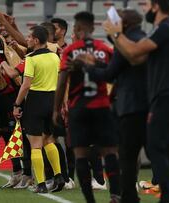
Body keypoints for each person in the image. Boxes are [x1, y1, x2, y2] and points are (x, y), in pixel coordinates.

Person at [103, 0, 169, 202]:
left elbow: (132, 53)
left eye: (147, 4)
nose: (144, 9)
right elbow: (135, 58)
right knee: (168, 150)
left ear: (156, 6)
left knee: (157, 148)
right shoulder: (165, 30)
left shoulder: (164, 28)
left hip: (166, 96)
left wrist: (116, 33)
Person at [53, 11, 121, 203]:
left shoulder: (71, 51)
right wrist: (112, 96)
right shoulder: (105, 49)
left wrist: (56, 109)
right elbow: (116, 75)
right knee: (109, 152)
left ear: (78, 28)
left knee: (81, 153)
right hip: (101, 105)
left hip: (79, 107)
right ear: (93, 27)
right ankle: (115, 195)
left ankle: (90, 199)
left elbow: (62, 82)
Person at [85, 9, 148, 202]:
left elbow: (110, 74)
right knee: (150, 152)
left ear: (124, 23)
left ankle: (127, 194)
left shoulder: (126, 43)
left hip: (130, 105)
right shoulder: (143, 38)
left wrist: (89, 67)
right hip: (148, 102)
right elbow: (118, 68)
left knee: (127, 153)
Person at [13, 25, 64, 193]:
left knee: (35, 145)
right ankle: (58, 176)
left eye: (29, 37)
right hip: (52, 100)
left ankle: (41, 184)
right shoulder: (55, 57)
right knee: (49, 139)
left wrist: (17, 104)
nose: (27, 39)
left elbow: (26, 84)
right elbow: (59, 81)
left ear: (36, 40)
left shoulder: (31, 59)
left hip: (36, 101)